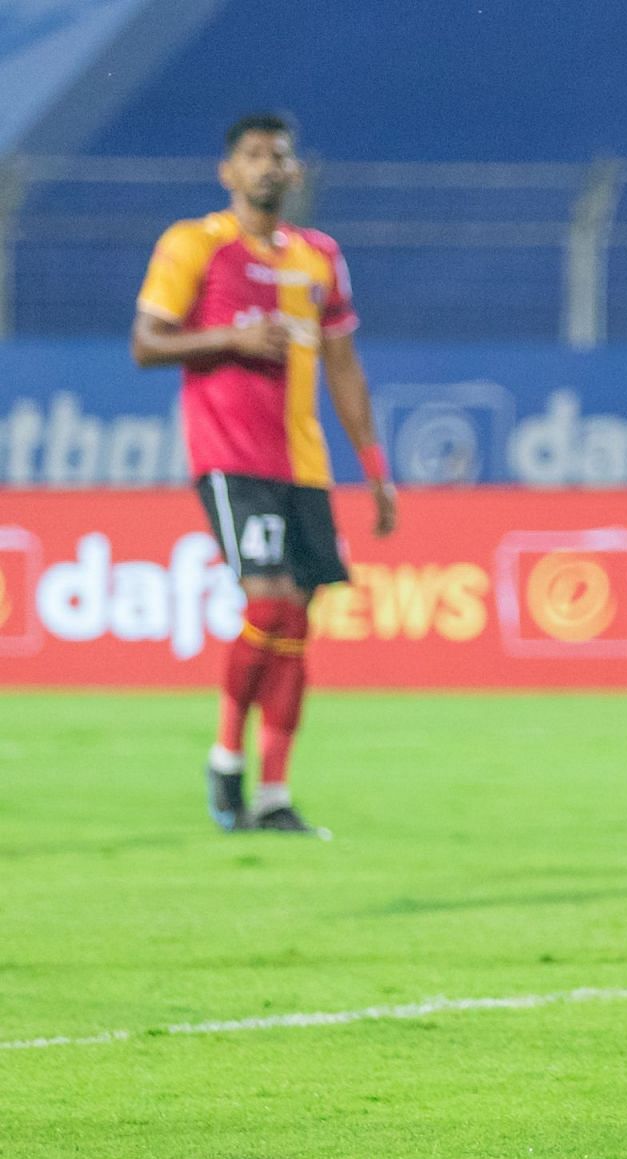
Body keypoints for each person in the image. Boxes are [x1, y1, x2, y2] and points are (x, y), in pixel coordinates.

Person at [132, 113, 396, 837]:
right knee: (270, 605)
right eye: (253, 156)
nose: (268, 167)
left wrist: (374, 469)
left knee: (298, 622)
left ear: (297, 171)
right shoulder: (195, 244)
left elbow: (343, 366)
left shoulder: (319, 258)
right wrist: (232, 337)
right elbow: (146, 343)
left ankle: (274, 794)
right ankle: (225, 757)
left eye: (279, 156)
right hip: (230, 457)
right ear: (229, 171)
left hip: (303, 464)